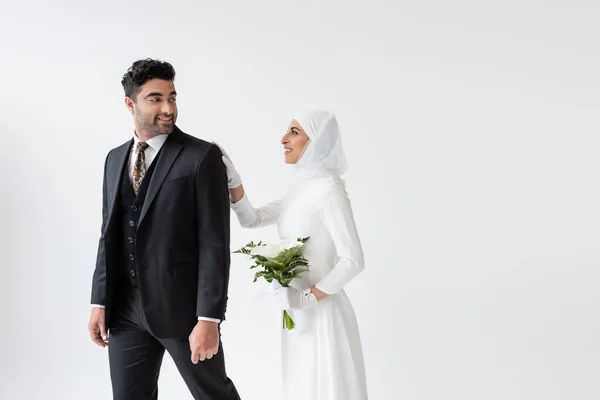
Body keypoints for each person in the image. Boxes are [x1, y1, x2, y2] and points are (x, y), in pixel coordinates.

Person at [88, 58, 241, 400]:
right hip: (125, 311)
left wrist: (209, 318)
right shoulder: (114, 159)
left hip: (183, 311)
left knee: (214, 394)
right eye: (155, 98)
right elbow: (107, 235)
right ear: (130, 103)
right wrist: (100, 301)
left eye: (172, 97)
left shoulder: (201, 156)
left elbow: (215, 243)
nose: (168, 108)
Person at [221, 110, 369, 400]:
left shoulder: (330, 192)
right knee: (301, 385)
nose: (283, 139)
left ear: (316, 141)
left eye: (294, 132)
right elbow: (251, 219)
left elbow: (353, 259)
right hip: (298, 314)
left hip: (324, 313)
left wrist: (309, 297)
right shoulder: (300, 191)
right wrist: (232, 179)